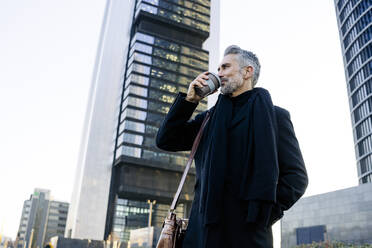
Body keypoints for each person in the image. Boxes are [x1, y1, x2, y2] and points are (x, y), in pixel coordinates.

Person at [156, 45, 308, 248]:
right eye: (218, 69)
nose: (219, 74)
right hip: (201, 236)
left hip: (248, 236)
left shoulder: (275, 117)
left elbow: (296, 177)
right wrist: (189, 101)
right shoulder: (208, 119)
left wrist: (264, 215)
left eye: (225, 67)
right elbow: (166, 140)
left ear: (248, 71)